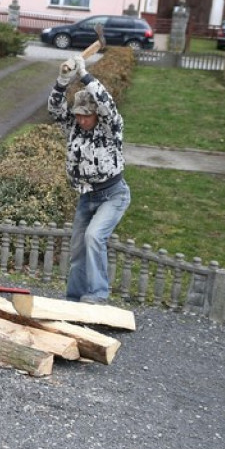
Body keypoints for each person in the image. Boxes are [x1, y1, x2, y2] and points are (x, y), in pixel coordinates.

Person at [48, 54, 131, 304]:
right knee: (78, 249)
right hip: (87, 196)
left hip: (113, 194)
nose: (82, 119)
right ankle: (74, 299)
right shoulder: (73, 127)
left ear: (96, 114)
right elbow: (54, 109)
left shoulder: (110, 127)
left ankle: (98, 294)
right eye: (79, 114)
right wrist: (62, 82)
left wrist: (85, 76)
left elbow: (106, 103)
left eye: (87, 115)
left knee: (94, 236)